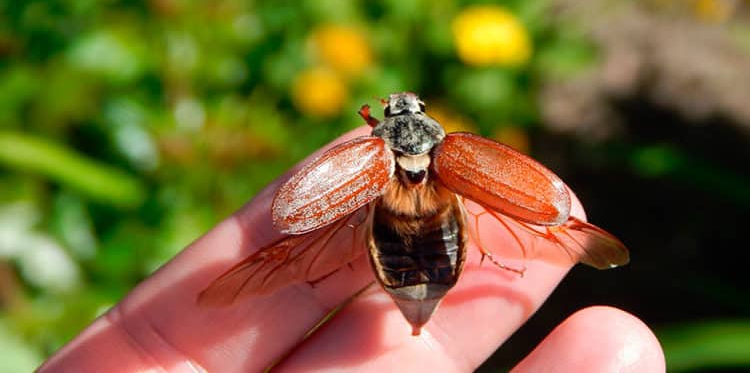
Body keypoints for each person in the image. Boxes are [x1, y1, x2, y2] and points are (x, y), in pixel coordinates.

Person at [39, 128, 665, 372]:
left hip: (391, 239)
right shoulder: (447, 157)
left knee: (292, 250)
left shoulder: (374, 161)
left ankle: (446, 271)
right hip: (435, 245)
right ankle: (482, 260)